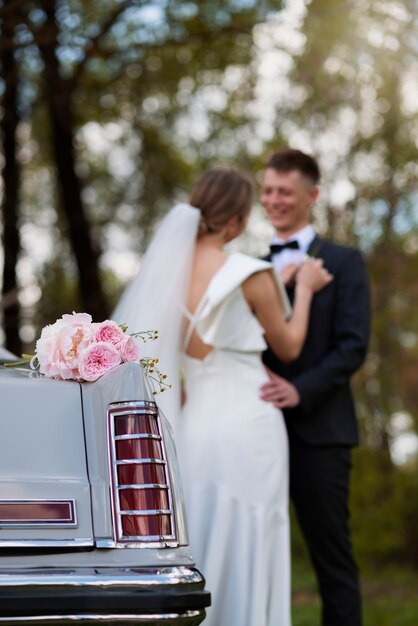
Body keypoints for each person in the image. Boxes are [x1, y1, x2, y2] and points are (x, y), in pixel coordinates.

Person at [113, 166, 332, 626]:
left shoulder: (163, 278)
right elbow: (288, 344)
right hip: (250, 423)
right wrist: (306, 290)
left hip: (195, 426)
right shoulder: (250, 272)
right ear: (236, 219)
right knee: (251, 534)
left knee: (202, 534)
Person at [260, 148, 370, 626]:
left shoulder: (344, 262)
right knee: (258, 555)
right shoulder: (251, 267)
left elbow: (352, 346)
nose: (274, 200)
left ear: (312, 195)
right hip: (256, 430)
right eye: (267, 190)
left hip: (321, 433)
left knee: (332, 561)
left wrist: (300, 390)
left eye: (284, 191)